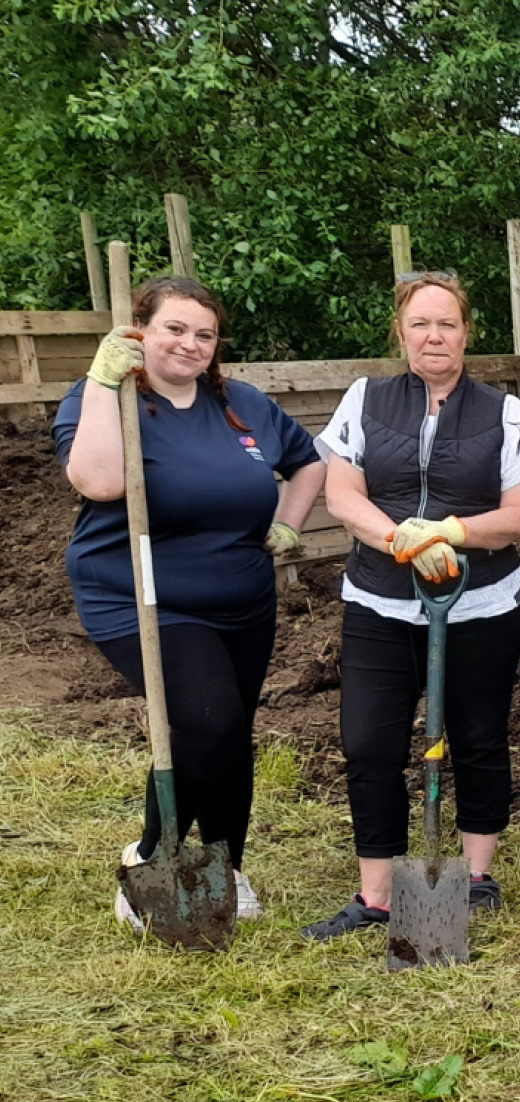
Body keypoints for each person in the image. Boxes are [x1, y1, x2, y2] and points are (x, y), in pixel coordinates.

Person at [57, 276, 325, 930]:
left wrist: (289, 522)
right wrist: (101, 380)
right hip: (142, 593)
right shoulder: (108, 398)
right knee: (207, 722)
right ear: (141, 329)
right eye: (174, 328)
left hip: (243, 596)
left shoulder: (244, 404)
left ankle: (226, 864)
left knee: (230, 732)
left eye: (204, 334)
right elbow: (97, 479)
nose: (190, 344)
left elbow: (308, 461)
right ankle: (150, 859)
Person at [302, 271, 520, 940]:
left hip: (482, 603)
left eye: (447, 324)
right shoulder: (366, 399)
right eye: (420, 324)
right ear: (401, 332)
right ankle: (377, 895)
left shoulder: (502, 411)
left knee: (476, 738)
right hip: (380, 601)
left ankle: (475, 878)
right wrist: (401, 540)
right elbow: (342, 495)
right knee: (370, 744)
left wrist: (451, 532)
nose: (433, 336)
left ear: (467, 333)